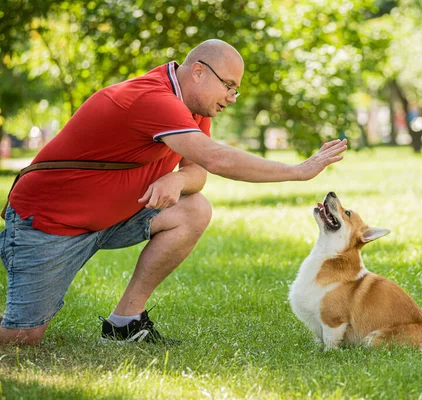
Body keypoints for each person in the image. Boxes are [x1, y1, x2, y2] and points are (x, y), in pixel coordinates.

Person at [0, 39, 347, 345]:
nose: (232, 97)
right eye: (228, 85)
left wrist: (178, 180)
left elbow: (197, 171)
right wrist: (297, 172)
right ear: (198, 71)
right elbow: (216, 159)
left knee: (195, 209)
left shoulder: (194, 109)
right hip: (48, 223)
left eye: (235, 89)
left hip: (112, 218)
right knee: (21, 340)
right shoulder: (153, 98)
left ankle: (125, 323)